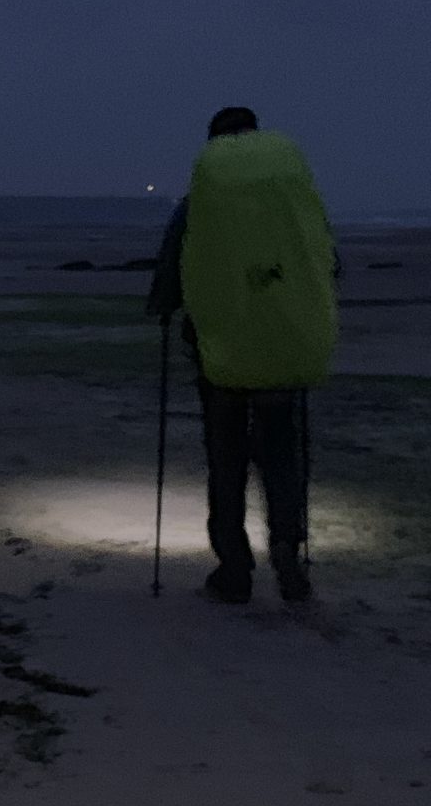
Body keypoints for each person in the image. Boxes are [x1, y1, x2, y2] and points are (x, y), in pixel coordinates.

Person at [146, 106, 341, 604]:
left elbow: (170, 271)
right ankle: (286, 548)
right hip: (282, 355)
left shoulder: (200, 204)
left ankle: (233, 569)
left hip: (220, 362)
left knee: (226, 461)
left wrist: (165, 306)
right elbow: (327, 263)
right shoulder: (291, 203)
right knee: (282, 457)